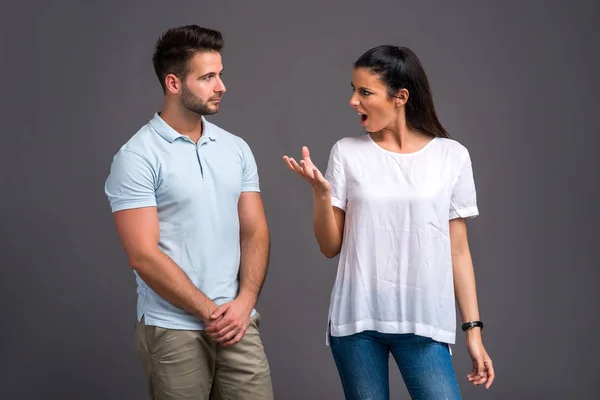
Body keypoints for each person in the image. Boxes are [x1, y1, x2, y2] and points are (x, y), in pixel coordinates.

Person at [283, 45, 495, 399]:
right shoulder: (347, 152)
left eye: (365, 92)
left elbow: (458, 251)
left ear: (401, 97)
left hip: (423, 322)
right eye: (352, 89)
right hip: (358, 323)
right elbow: (330, 247)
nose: (353, 101)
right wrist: (322, 194)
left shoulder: (451, 156)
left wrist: (473, 330)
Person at [104, 25, 273, 400]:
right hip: (172, 329)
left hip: (238, 323)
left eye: (220, 75)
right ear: (174, 83)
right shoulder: (136, 157)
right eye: (208, 77)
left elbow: (254, 231)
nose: (221, 86)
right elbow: (143, 255)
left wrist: (244, 303)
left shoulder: (236, 148)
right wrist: (208, 311)